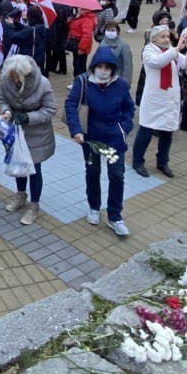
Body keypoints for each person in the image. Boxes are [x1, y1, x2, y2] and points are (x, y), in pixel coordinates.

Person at [65, 45, 135, 236]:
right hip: (91, 138)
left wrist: (124, 128)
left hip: (114, 138)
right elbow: (71, 104)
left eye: (108, 67)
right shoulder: (83, 82)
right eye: (100, 66)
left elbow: (129, 108)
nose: (104, 71)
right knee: (93, 171)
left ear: (113, 68)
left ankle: (115, 216)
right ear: (94, 66)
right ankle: (94, 206)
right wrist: (76, 130)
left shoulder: (120, 85)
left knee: (116, 175)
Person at [0, 53, 57, 226]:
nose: (14, 80)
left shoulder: (43, 84)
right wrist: (7, 111)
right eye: (12, 76)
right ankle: (21, 195)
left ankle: (34, 206)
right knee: (19, 165)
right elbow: (2, 99)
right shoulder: (6, 79)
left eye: (17, 77)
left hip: (37, 133)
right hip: (16, 131)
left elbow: (50, 110)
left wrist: (27, 117)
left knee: (34, 168)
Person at [131, 25, 186, 179]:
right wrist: (175, 50)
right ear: (154, 39)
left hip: (169, 100)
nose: (167, 39)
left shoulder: (171, 52)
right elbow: (157, 63)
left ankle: (163, 162)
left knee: (167, 133)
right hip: (154, 100)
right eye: (163, 37)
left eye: (168, 36)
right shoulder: (149, 50)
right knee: (146, 131)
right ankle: (137, 161)